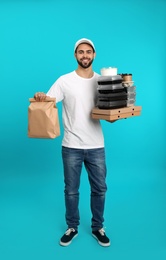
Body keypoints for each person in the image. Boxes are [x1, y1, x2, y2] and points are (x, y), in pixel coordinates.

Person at [34, 38, 112, 247]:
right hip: (71, 146)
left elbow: (111, 108)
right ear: (75, 55)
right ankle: (72, 227)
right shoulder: (64, 80)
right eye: (80, 52)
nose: (84, 55)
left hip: (96, 145)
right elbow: (48, 101)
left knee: (100, 189)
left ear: (94, 55)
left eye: (88, 52)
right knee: (71, 190)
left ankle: (98, 227)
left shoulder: (103, 81)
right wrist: (40, 96)